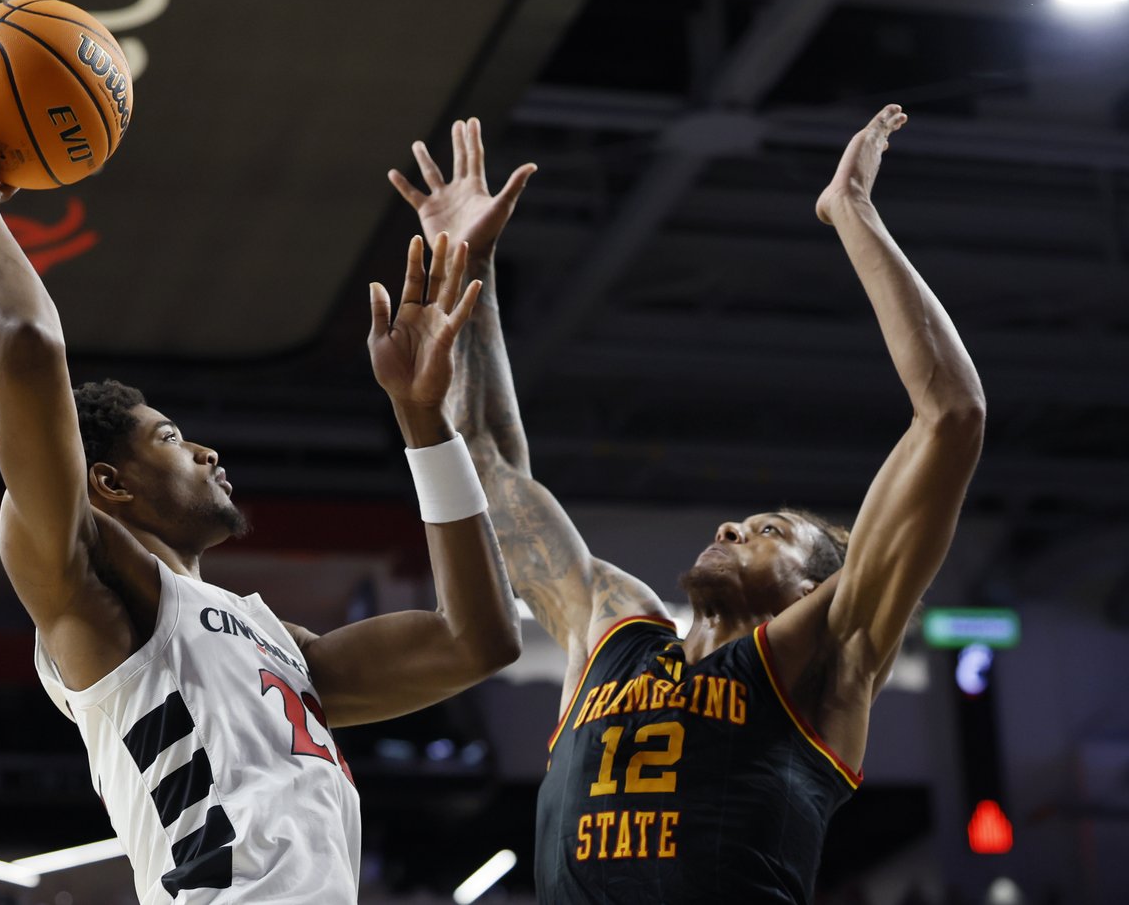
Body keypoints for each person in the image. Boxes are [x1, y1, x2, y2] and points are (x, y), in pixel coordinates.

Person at [0, 52, 521, 904]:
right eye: (169, 437)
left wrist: (423, 420)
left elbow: (480, 640)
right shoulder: (94, 590)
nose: (205, 451)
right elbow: (23, 343)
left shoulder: (274, 641)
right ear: (107, 482)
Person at [390, 108, 984, 903]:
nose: (732, 526)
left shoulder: (824, 655)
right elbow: (489, 470)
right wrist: (472, 263)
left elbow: (951, 415)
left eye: (770, 531)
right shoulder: (611, 626)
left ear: (813, 587)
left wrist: (852, 210)